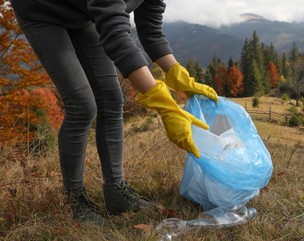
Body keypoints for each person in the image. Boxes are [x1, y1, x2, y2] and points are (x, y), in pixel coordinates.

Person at [10, 0, 218, 225]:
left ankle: (116, 191)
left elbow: (151, 33)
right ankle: (74, 200)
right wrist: (165, 105)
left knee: (111, 99)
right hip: (41, 9)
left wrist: (181, 78)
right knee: (82, 105)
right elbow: (117, 36)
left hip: (83, 12)